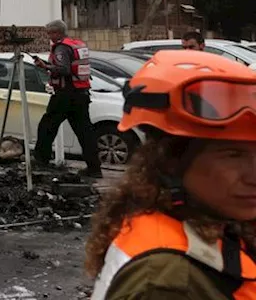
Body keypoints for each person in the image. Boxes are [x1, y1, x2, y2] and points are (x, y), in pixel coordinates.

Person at [86, 50, 256, 300]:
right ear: (171, 162)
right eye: (232, 155)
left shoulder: (202, 221)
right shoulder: (168, 284)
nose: (253, 175)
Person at [31, 19, 103, 178]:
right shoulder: (77, 44)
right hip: (81, 93)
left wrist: (45, 66)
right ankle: (94, 168)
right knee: (85, 132)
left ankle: (41, 160)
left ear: (57, 32)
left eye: (50, 33)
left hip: (65, 94)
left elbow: (63, 69)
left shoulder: (61, 47)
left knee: (47, 126)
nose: (49, 36)